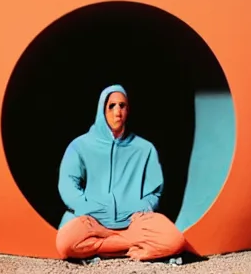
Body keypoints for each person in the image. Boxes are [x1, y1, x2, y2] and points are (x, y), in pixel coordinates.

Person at [55, 84, 185, 263]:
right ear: (102, 109)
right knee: (65, 242)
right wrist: (86, 208)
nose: (117, 112)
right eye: (112, 106)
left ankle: (105, 248)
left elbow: (154, 191)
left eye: (122, 106)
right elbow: (68, 184)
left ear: (128, 110)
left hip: (133, 222)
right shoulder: (80, 146)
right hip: (92, 222)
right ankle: (131, 247)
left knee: (174, 240)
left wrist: (142, 208)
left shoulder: (144, 149)